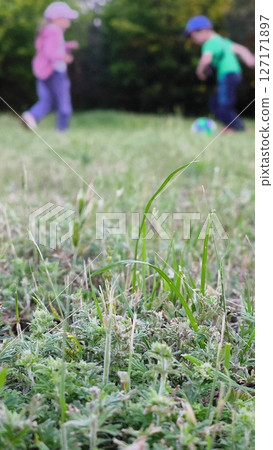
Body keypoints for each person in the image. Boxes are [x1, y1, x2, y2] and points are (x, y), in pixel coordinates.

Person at [184, 15, 255, 131]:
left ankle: (239, 129)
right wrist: (250, 60)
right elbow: (241, 49)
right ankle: (229, 127)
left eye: (193, 35)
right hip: (234, 75)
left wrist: (200, 72)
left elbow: (206, 59)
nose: (193, 39)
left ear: (202, 31)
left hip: (227, 75)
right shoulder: (223, 41)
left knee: (224, 106)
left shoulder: (210, 43)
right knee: (215, 103)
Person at [22, 2, 79, 132]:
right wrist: (63, 57)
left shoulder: (48, 31)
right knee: (64, 102)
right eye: (67, 18)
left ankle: (31, 116)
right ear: (56, 18)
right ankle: (62, 130)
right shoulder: (54, 31)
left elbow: (54, 47)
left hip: (44, 71)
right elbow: (50, 52)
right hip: (55, 71)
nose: (69, 22)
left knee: (47, 100)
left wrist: (68, 46)